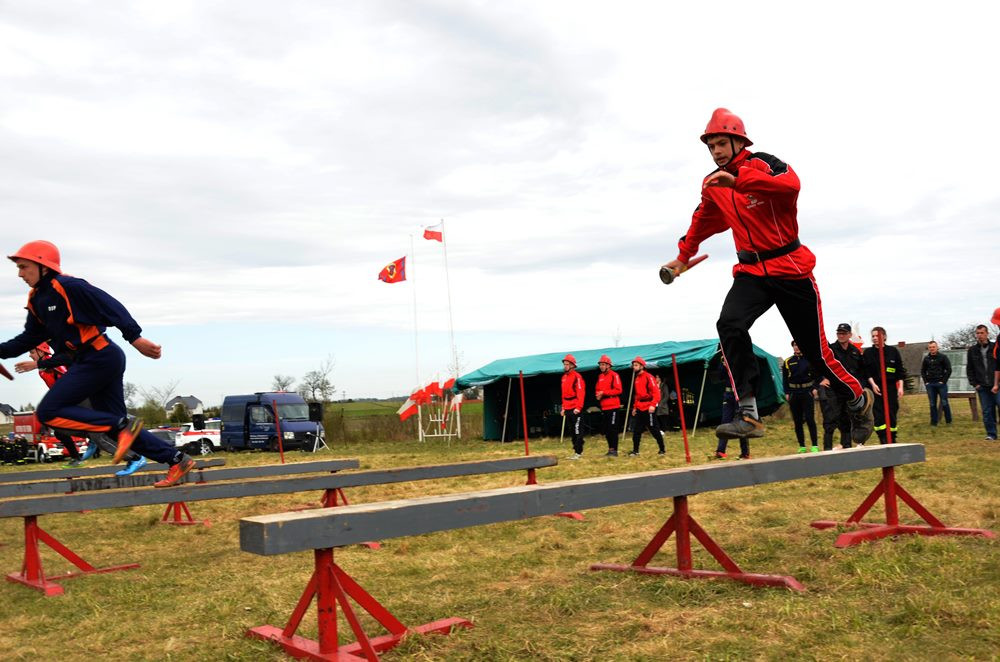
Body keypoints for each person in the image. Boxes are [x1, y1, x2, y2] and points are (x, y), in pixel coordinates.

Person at [660, 108, 873, 445]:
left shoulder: (764, 164)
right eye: (710, 146)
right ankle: (748, 412)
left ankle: (858, 399)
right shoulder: (713, 184)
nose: (715, 151)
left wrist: (741, 181)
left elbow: (791, 185)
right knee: (729, 324)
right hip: (751, 273)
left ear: (738, 140)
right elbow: (702, 220)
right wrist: (683, 256)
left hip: (790, 267)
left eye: (720, 143)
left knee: (816, 355)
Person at [0, 240, 195, 487]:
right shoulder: (36, 299)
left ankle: (122, 424)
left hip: (100, 357)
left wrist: (134, 337)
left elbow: (110, 305)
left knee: (49, 411)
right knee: (117, 427)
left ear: (43, 266)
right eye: (18, 268)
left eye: (24, 267)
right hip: (91, 360)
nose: (20, 274)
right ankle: (178, 460)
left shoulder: (69, 286)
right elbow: (29, 338)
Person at [16, 342, 149, 474]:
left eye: (32, 352)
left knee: (99, 435)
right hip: (71, 402)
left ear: (42, 351)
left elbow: (73, 376)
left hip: (81, 398)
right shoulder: (43, 369)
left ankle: (135, 455)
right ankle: (87, 444)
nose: (30, 355)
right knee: (58, 427)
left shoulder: (54, 364)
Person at [816, 323, 867, 450]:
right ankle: (827, 450)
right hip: (832, 390)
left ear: (850, 335)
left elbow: (861, 371)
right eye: (839, 333)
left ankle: (847, 446)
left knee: (847, 419)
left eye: (844, 333)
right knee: (830, 420)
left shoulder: (855, 351)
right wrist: (821, 379)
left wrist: (860, 386)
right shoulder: (830, 349)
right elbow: (817, 365)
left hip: (848, 391)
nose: (841, 335)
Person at [863, 327, 906, 444]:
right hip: (875, 387)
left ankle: (892, 437)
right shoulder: (868, 353)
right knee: (879, 414)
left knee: (892, 412)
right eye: (873, 336)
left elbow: (900, 371)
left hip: (891, 387)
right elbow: (866, 372)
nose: (875, 338)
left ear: (884, 337)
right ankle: (883, 438)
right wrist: (873, 384)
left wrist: (900, 387)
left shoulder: (893, 351)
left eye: (878, 336)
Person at [782, 340, 818, 453]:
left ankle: (814, 445)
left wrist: (815, 388)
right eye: (795, 345)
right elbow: (784, 379)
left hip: (807, 392)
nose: (797, 347)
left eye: (798, 345)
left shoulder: (809, 359)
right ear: (793, 347)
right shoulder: (788, 361)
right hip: (794, 393)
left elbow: (817, 375)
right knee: (797, 421)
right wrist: (787, 392)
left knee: (810, 419)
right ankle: (802, 445)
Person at [712, 355, 749, 460]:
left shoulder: (740, 359)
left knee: (741, 424)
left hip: (739, 395)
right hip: (728, 395)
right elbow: (720, 376)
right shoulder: (724, 358)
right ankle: (720, 451)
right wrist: (723, 366)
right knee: (725, 423)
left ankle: (745, 453)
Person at [628, 357, 665, 456]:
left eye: (636, 365)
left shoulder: (649, 377)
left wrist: (653, 405)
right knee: (636, 430)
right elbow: (637, 396)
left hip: (649, 408)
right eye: (633, 365)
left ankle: (662, 449)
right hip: (640, 407)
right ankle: (635, 451)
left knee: (654, 430)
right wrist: (635, 407)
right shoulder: (636, 379)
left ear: (642, 366)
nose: (634, 367)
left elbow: (656, 393)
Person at [966, 324, 997, 441]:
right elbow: (970, 368)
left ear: (987, 333)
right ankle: (991, 434)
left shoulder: (995, 347)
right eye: (978, 333)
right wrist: (975, 384)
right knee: (987, 411)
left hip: (996, 384)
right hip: (982, 386)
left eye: (982, 333)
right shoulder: (972, 350)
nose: (980, 335)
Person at [594, 355, 622, 457]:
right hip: (604, 406)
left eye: (603, 364)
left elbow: (619, 390)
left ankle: (614, 451)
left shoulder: (614, 375)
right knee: (606, 430)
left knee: (612, 429)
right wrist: (598, 395)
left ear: (608, 366)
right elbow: (597, 389)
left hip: (613, 406)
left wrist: (604, 393)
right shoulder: (600, 376)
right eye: (600, 365)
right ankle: (610, 449)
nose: (601, 366)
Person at [920, 340, 952, 426]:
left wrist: (943, 381)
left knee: (944, 402)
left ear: (937, 347)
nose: (932, 349)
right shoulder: (926, 359)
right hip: (930, 384)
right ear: (928, 348)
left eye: (933, 347)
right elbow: (923, 371)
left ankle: (948, 421)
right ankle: (934, 422)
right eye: (930, 347)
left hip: (941, 384)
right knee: (932, 404)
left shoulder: (943, 357)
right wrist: (926, 382)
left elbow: (949, 369)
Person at [560, 354, 586, 459]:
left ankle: (578, 452)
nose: (565, 366)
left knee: (577, 430)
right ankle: (577, 450)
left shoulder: (577, 377)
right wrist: (563, 408)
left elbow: (581, 393)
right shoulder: (563, 377)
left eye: (567, 364)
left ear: (572, 365)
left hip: (575, 407)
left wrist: (578, 407)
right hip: (567, 407)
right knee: (572, 431)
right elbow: (563, 395)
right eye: (564, 364)